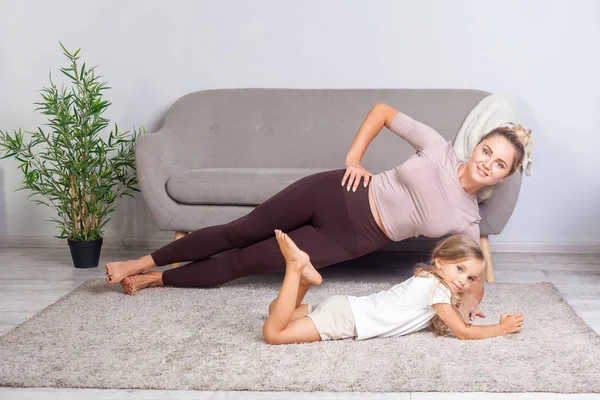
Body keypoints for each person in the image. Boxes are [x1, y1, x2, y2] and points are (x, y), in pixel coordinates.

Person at [105, 103, 533, 321]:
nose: (487, 163)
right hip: (334, 192)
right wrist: (353, 159)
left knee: (244, 262)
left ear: (504, 176)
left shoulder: (467, 219)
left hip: (348, 240)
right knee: (240, 231)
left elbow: (471, 273)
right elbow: (382, 112)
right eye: (487, 151)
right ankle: (139, 261)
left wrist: (472, 304)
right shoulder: (438, 147)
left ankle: (153, 279)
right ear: (477, 145)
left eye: (500, 164)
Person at [263, 230, 524, 344]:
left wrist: (468, 305)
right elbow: (463, 333)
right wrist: (501, 328)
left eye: (470, 278)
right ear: (440, 261)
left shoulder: (429, 278)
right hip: (346, 320)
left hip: (345, 305)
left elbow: (451, 314)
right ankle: (296, 268)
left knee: (276, 311)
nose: (463, 281)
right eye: (460, 269)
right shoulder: (437, 291)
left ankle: (306, 283)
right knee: (274, 334)